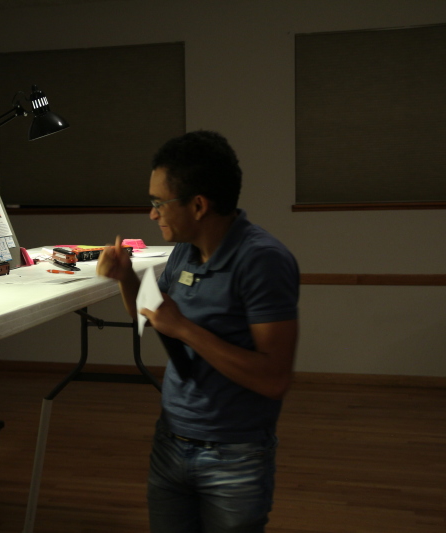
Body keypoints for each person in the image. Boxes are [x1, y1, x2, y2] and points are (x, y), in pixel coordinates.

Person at [97, 130, 299, 532]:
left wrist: (185, 328)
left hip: (235, 454)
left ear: (199, 205)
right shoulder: (184, 252)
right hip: (171, 439)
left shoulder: (263, 261)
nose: (152, 214)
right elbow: (154, 314)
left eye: (159, 203)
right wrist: (126, 278)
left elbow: (274, 379)